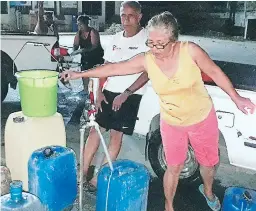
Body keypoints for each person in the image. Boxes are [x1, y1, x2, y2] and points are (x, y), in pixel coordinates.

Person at [62, 11, 255, 211]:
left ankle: (207, 191)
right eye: (150, 43)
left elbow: (215, 72)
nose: (154, 49)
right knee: (174, 166)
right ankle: (168, 205)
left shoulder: (190, 51)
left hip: (201, 118)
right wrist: (79, 74)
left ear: (173, 40)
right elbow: (114, 69)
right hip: (171, 121)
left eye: (159, 44)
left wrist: (236, 98)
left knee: (207, 164)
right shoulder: (148, 59)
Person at [78, 1, 149, 192]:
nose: (126, 20)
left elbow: (147, 72)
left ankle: (98, 179)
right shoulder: (116, 38)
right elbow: (106, 67)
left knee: (116, 137)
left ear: (139, 16)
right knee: (95, 131)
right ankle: (82, 173)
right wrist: (99, 91)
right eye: (123, 15)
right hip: (108, 92)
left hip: (130, 95)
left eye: (131, 15)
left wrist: (126, 94)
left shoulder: (147, 40)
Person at [71, 15, 104, 92]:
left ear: (86, 24)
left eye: (81, 24)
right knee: (85, 77)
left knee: (95, 80)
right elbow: (75, 45)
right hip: (85, 59)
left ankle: (97, 93)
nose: (79, 26)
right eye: (78, 24)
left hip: (96, 58)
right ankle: (86, 93)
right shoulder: (78, 33)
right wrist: (74, 51)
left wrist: (81, 50)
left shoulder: (93, 32)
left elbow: (94, 46)